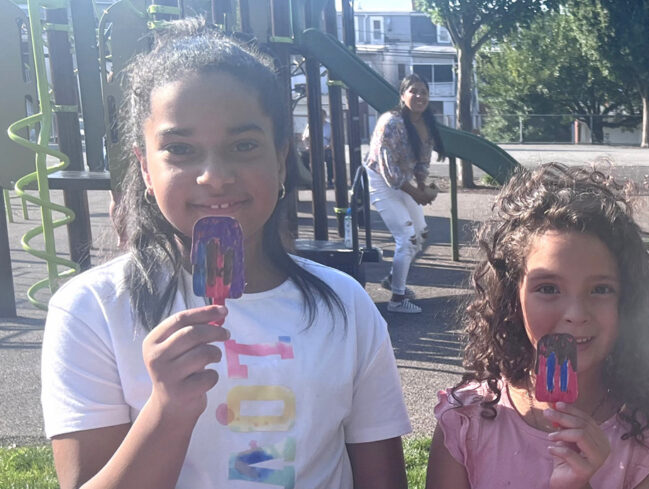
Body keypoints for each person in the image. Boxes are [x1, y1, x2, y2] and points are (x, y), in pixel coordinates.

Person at [39, 19, 411, 489]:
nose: (214, 176)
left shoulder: (346, 305)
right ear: (145, 169)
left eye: (243, 145)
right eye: (180, 149)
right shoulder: (92, 309)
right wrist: (168, 410)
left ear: (280, 159)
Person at [425, 163, 649, 489]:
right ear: (512, 298)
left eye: (600, 289)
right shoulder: (466, 423)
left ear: (627, 302)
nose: (576, 313)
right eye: (548, 288)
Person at [363, 73, 444, 314]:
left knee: (420, 234)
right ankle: (397, 300)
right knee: (406, 237)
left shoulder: (426, 124)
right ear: (402, 95)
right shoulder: (391, 122)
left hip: (403, 180)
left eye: (424, 92)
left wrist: (422, 187)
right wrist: (418, 194)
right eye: (414, 91)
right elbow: (389, 171)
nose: (420, 96)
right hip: (380, 180)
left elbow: (422, 162)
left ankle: (393, 280)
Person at [301, 108, 334, 187]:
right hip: (313, 149)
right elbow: (304, 138)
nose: (321, 117)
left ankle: (330, 180)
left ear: (325, 116)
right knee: (303, 157)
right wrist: (306, 146)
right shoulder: (310, 125)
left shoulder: (329, 126)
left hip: (325, 149)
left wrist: (329, 146)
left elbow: (333, 140)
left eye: (322, 116)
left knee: (330, 157)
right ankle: (309, 179)